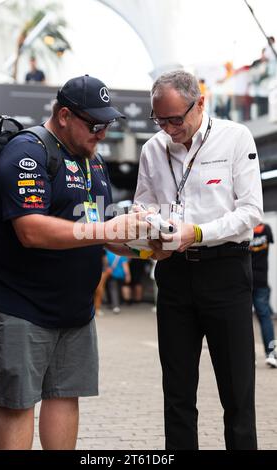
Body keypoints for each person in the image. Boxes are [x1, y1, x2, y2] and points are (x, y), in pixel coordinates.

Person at [0, 74, 149, 450]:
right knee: (18, 402)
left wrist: (147, 246)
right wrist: (106, 230)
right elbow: (31, 231)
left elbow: (102, 232)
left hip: (75, 310)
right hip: (19, 304)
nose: (102, 133)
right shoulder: (27, 152)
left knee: (65, 395)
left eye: (108, 124)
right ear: (66, 115)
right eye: (95, 124)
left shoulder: (94, 164)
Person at [134, 71, 263, 450]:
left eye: (176, 119)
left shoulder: (235, 138)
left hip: (226, 270)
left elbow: (251, 211)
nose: (169, 129)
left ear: (200, 103)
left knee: (237, 394)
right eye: (160, 120)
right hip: (173, 273)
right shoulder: (152, 149)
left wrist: (198, 232)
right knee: (177, 393)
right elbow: (143, 205)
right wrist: (147, 233)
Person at [250, 223, 277, 367]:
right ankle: (271, 354)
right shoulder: (266, 229)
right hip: (261, 280)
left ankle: (248, 356)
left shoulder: (245, 231)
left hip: (245, 280)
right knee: (265, 317)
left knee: (244, 319)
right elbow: (270, 241)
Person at [105, 249, 131, 314]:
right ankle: (116, 304)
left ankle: (115, 305)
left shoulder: (107, 252)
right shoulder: (121, 253)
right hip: (120, 275)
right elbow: (125, 265)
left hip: (111, 274)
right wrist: (128, 275)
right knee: (118, 289)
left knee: (112, 290)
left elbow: (105, 263)